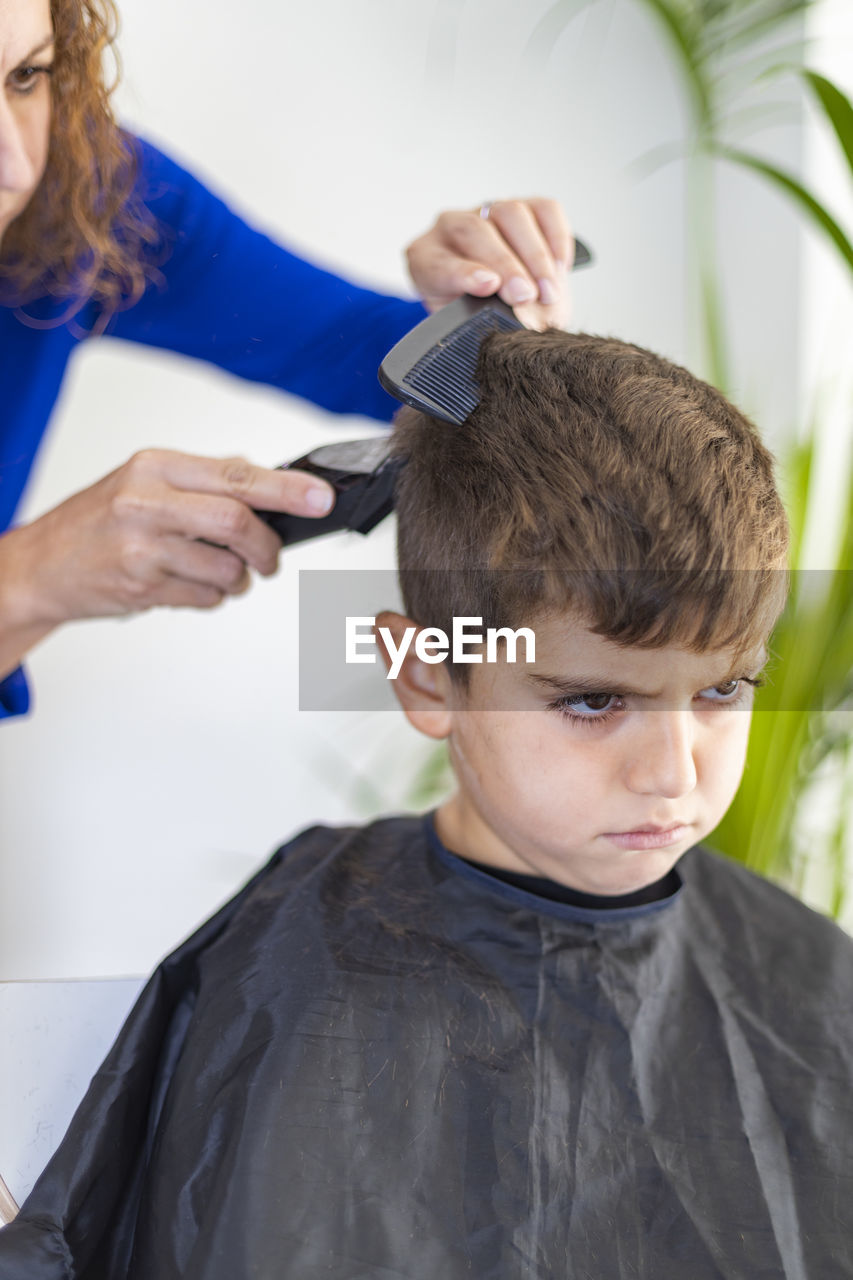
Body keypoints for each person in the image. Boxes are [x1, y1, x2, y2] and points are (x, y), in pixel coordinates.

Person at [2, 325, 851, 1278]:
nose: (673, 773)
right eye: (591, 700)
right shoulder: (298, 957)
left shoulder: (812, 981)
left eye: (720, 691)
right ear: (426, 678)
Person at [0, 0, 574, 719]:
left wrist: (472, 306)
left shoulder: (76, 194)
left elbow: (358, 355)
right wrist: (25, 581)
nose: (18, 166)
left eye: (26, 75)